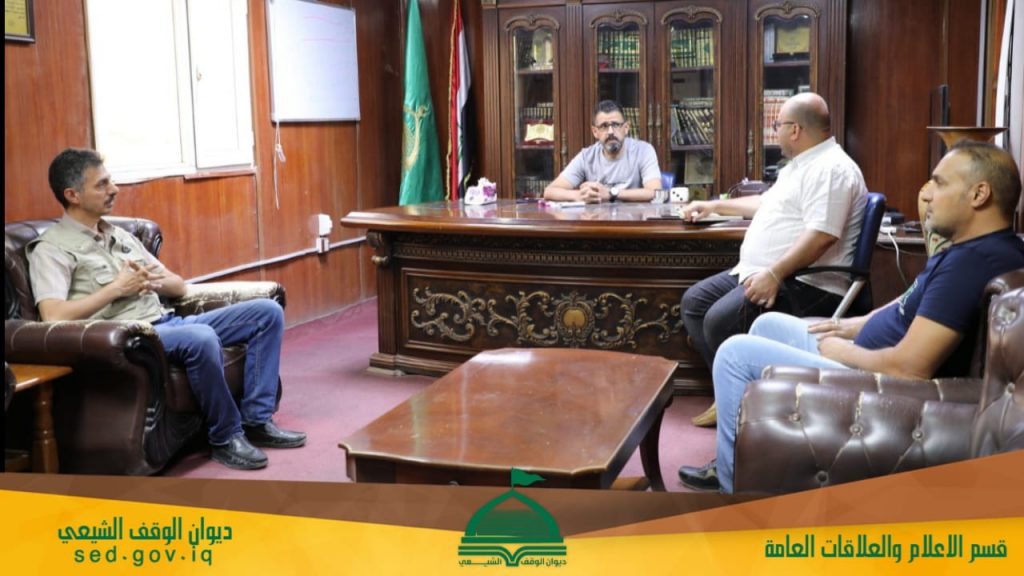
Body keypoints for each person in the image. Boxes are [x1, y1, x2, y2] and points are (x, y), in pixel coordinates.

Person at [678, 139, 1024, 493]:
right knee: (766, 323)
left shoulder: (972, 263)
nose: (928, 194)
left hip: (875, 376)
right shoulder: (973, 250)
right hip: (865, 353)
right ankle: (751, 452)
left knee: (734, 355)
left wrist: (843, 350)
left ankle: (731, 485)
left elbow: (910, 367)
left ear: (979, 194)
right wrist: (852, 325)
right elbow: (909, 302)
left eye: (940, 182)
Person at [27, 148, 306, 471]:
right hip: (131, 336)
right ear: (72, 195)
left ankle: (256, 419)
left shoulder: (120, 235)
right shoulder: (51, 249)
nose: (114, 190)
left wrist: (150, 280)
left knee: (266, 313)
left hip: (168, 321)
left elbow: (179, 286)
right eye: (102, 184)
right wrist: (116, 289)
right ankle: (225, 436)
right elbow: (53, 315)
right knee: (200, 337)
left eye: (111, 181)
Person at [678, 92, 867, 429]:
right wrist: (714, 206)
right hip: (763, 271)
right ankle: (731, 396)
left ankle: (749, 410)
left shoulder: (831, 168)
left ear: (795, 130)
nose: (775, 131)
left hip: (808, 282)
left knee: (720, 321)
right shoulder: (801, 165)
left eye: (778, 125)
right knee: (695, 304)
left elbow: (822, 235)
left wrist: (775, 274)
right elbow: (765, 203)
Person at [543, 100, 662, 203]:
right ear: (595, 132)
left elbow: (655, 192)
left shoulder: (644, 151)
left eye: (615, 125)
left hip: (635, 220)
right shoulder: (586, 156)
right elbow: (549, 192)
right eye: (604, 126)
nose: (610, 132)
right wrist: (580, 195)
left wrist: (611, 193)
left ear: (626, 128)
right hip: (598, 220)